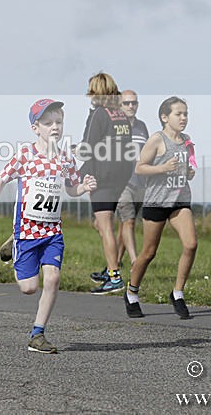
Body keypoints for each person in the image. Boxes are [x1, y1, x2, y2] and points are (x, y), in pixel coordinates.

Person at [0, 99, 96, 354]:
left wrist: (83, 187)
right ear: (35, 128)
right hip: (27, 230)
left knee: (53, 278)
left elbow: (71, 188)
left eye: (58, 122)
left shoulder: (66, 158)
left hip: (52, 230)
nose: (55, 127)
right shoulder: (25, 156)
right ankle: (13, 242)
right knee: (29, 288)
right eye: (48, 123)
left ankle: (37, 334)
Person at [125, 96, 198, 320]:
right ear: (165, 117)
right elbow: (140, 168)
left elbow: (191, 165)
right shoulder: (157, 140)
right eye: (179, 114)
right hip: (156, 202)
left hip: (179, 201)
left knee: (191, 244)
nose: (183, 118)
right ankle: (131, 292)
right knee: (149, 253)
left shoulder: (187, 140)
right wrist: (163, 168)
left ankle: (177, 293)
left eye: (185, 113)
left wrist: (190, 172)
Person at [78, 73, 134, 295]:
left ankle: (114, 276)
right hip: (121, 174)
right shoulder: (120, 114)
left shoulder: (99, 114)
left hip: (102, 176)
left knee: (105, 226)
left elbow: (87, 147)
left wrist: (73, 150)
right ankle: (110, 266)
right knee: (101, 224)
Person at [91, 89, 150, 283]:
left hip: (140, 183)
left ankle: (111, 267)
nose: (131, 106)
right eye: (127, 103)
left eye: (134, 103)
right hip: (121, 181)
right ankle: (135, 262)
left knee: (121, 227)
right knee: (128, 221)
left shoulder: (142, 127)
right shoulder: (114, 124)